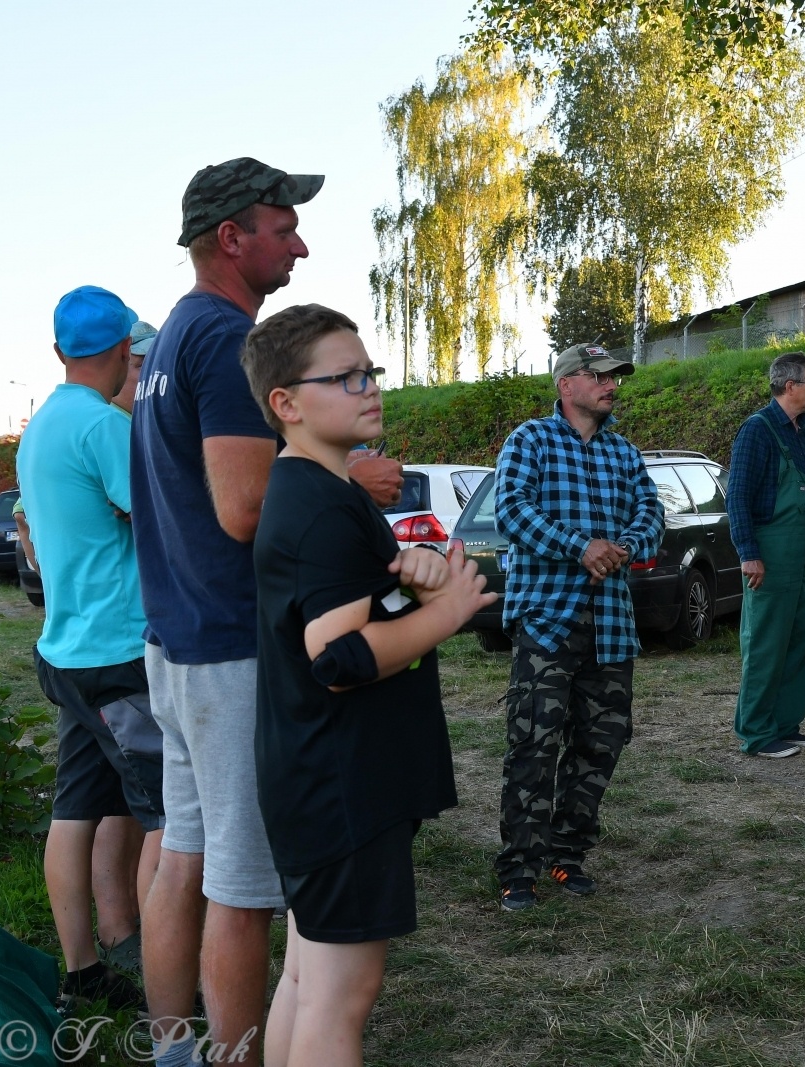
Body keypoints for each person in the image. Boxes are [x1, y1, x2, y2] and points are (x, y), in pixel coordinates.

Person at [129, 157, 401, 1067]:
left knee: (184, 858)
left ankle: (176, 1048)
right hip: (232, 652)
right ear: (231, 238)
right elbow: (245, 508)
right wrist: (350, 477)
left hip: (176, 640)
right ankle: (237, 1056)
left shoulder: (171, 336)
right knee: (243, 888)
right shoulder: (223, 338)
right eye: (283, 228)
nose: (301, 242)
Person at [240, 304, 492, 1067]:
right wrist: (446, 610)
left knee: (308, 983)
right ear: (286, 403)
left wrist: (408, 587)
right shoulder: (321, 507)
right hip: (341, 782)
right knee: (338, 999)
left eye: (369, 372)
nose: (369, 388)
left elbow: (345, 612)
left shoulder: (316, 490)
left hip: (314, 774)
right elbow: (340, 659)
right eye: (344, 378)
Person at [16, 286, 165, 1011]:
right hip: (118, 655)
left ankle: (81, 972)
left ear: (58, 352)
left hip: (65, 651)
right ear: (119, 353)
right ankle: (177, 980)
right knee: (170, 817)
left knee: (73, 812)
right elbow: (161, 520)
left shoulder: (39, 427)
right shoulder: (104, 427)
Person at [491, 343, 664, 911]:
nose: (611, 385)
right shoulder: (531, 441)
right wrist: (578, 547)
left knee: (602, 740)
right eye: (599, 376)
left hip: (611, 623)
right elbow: (512, 510)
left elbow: (651, 513)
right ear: (567, 385)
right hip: (547, 619)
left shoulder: (623, 452)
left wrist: (625, 547)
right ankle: (520, 869)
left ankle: (568, 854)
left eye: (614, 377)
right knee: (535, 743)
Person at [727, 352, 805, 758]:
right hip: (769, 557)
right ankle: (757, 733)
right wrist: (748, 553)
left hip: (803, 554)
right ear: (790, 386)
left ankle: (786, 724)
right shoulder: (756, 431)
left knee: (797, 643)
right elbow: (738, 497)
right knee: (766, 645)